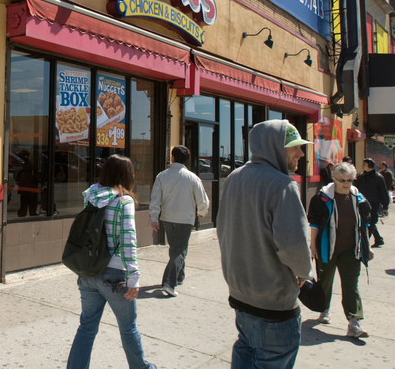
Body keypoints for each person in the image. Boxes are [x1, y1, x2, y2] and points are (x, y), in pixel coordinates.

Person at [216, 121, 312, 369]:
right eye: (294, 147)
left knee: (245, 349)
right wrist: (304, 274)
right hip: (274, 303)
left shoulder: (234, 178)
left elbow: (222, 229)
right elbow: (294, 246)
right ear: (274, 148)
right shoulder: (283, 185)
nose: (301, 153)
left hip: (240, 296)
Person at [67, 155, 157, 369]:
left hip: (89, 272)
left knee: (86, 327)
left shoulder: (91, 196)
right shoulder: (124, 201)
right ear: (128, 175)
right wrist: (133, 276)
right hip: (114, 275)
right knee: (128, 328)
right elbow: (128, 240)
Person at [308, 162, 372, 338]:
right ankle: (324, 310)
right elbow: (314, 223)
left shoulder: (359, 199)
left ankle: (354, 322)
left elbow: (365, 224)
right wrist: (313, 245)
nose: (347, 183)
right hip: (327, 248)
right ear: (334, 179)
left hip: (351, 251)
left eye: (350, 180)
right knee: (325, 282)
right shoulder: (322, 198)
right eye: (342, 180)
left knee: (351, 286)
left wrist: (366, 247)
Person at [149, 145, 209, 297]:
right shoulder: (192, 177)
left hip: (167, 218)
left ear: (172, 157)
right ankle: (169, 283)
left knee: (175, 249)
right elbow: (202, 199)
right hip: (185, 219)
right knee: (180, 250)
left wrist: (154, 217)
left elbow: (155, 198)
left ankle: (179, 276)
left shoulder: (162, 176)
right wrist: (202, 212)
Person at [354, 158, 389, 248]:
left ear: (370, 166)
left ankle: (364, 243)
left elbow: (384, 193)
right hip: (362, 204)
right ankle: (378, 239)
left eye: (364, 164)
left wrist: (385, 207)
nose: (362, 166)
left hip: (374, 204)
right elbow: (355, 190)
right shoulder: (360, 176)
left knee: (371, 222)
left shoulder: (378, 177)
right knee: (366, 222)